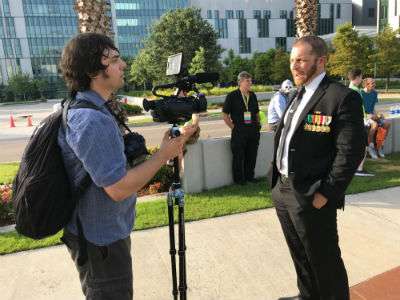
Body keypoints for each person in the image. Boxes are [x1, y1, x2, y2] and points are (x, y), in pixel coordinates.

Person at [57, 33, 196, 300]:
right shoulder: (90, 119)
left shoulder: (91, 107)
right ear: (92, 71)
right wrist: (163, 154)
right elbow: (118, 188)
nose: (123, 65)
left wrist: (163, 150)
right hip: (101, 240)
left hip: (102, 232)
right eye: (114, 59)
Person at [267, 36, 365, 300]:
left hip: (312, 195)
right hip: (283, 188)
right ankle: (307, 295)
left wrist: (327, 194)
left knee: (325, 260)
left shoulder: (341, 97)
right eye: (292, 60)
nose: (295, 66)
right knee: (299, 253)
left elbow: (350, 152)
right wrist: (277, 184)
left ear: (321, 61)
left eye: (301, 60)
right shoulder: (296, 94)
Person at [223, 71, 261, 185]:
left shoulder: (253, 95)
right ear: (240, 82)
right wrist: (233, 127)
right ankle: (239, 180)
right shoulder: (232, 96)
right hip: (239, 131)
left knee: (252, 155)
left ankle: (250, 177)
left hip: (253, 130)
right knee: (238, 156)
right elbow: (225, 115)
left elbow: (256, 113)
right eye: (247, 81)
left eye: (251, 80)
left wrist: (258, 125)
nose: (250, 83)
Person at [361, 77, 391, 158]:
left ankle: (379, 146)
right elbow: (359, 109)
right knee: (374, 125)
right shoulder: (360, 93)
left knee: (387, 124)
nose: (374, 84)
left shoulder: (374, 93)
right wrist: (368, 116)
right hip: (363, 116)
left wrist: (378, 114)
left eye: (374, 83)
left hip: (372, 115)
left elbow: (373, 108)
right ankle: (370, 148)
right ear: (366, 85)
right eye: (372, 83)